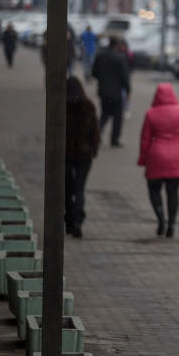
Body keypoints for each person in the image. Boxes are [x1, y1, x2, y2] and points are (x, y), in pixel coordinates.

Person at [137, 83, 179, 238]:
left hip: (156, 155)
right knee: (173, 192)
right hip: (177, 155)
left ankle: (161, 218)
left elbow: (145, 140)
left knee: (154, 190)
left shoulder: (151, 113)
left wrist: (143, 159)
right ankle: (172, 223)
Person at [65, 76, 100, 238]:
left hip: (66, 153)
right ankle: (78, 219)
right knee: (79, 188)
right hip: (85, 154)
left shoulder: (62, 106)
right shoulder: (88, 106)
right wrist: (94, 149)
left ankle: (70, 218)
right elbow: (95, 131)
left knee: (66, 188)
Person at [92, 37, 131, 147]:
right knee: (117, 117)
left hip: (103, 91)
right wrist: (128, 91)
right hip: (116, 93)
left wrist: (103, 79)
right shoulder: (120, 58)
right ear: (117, 45)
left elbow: (94, 72)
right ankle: (114, 140)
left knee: (104, 114)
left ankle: (97, 136)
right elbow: (125, 77)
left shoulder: (100, 56)